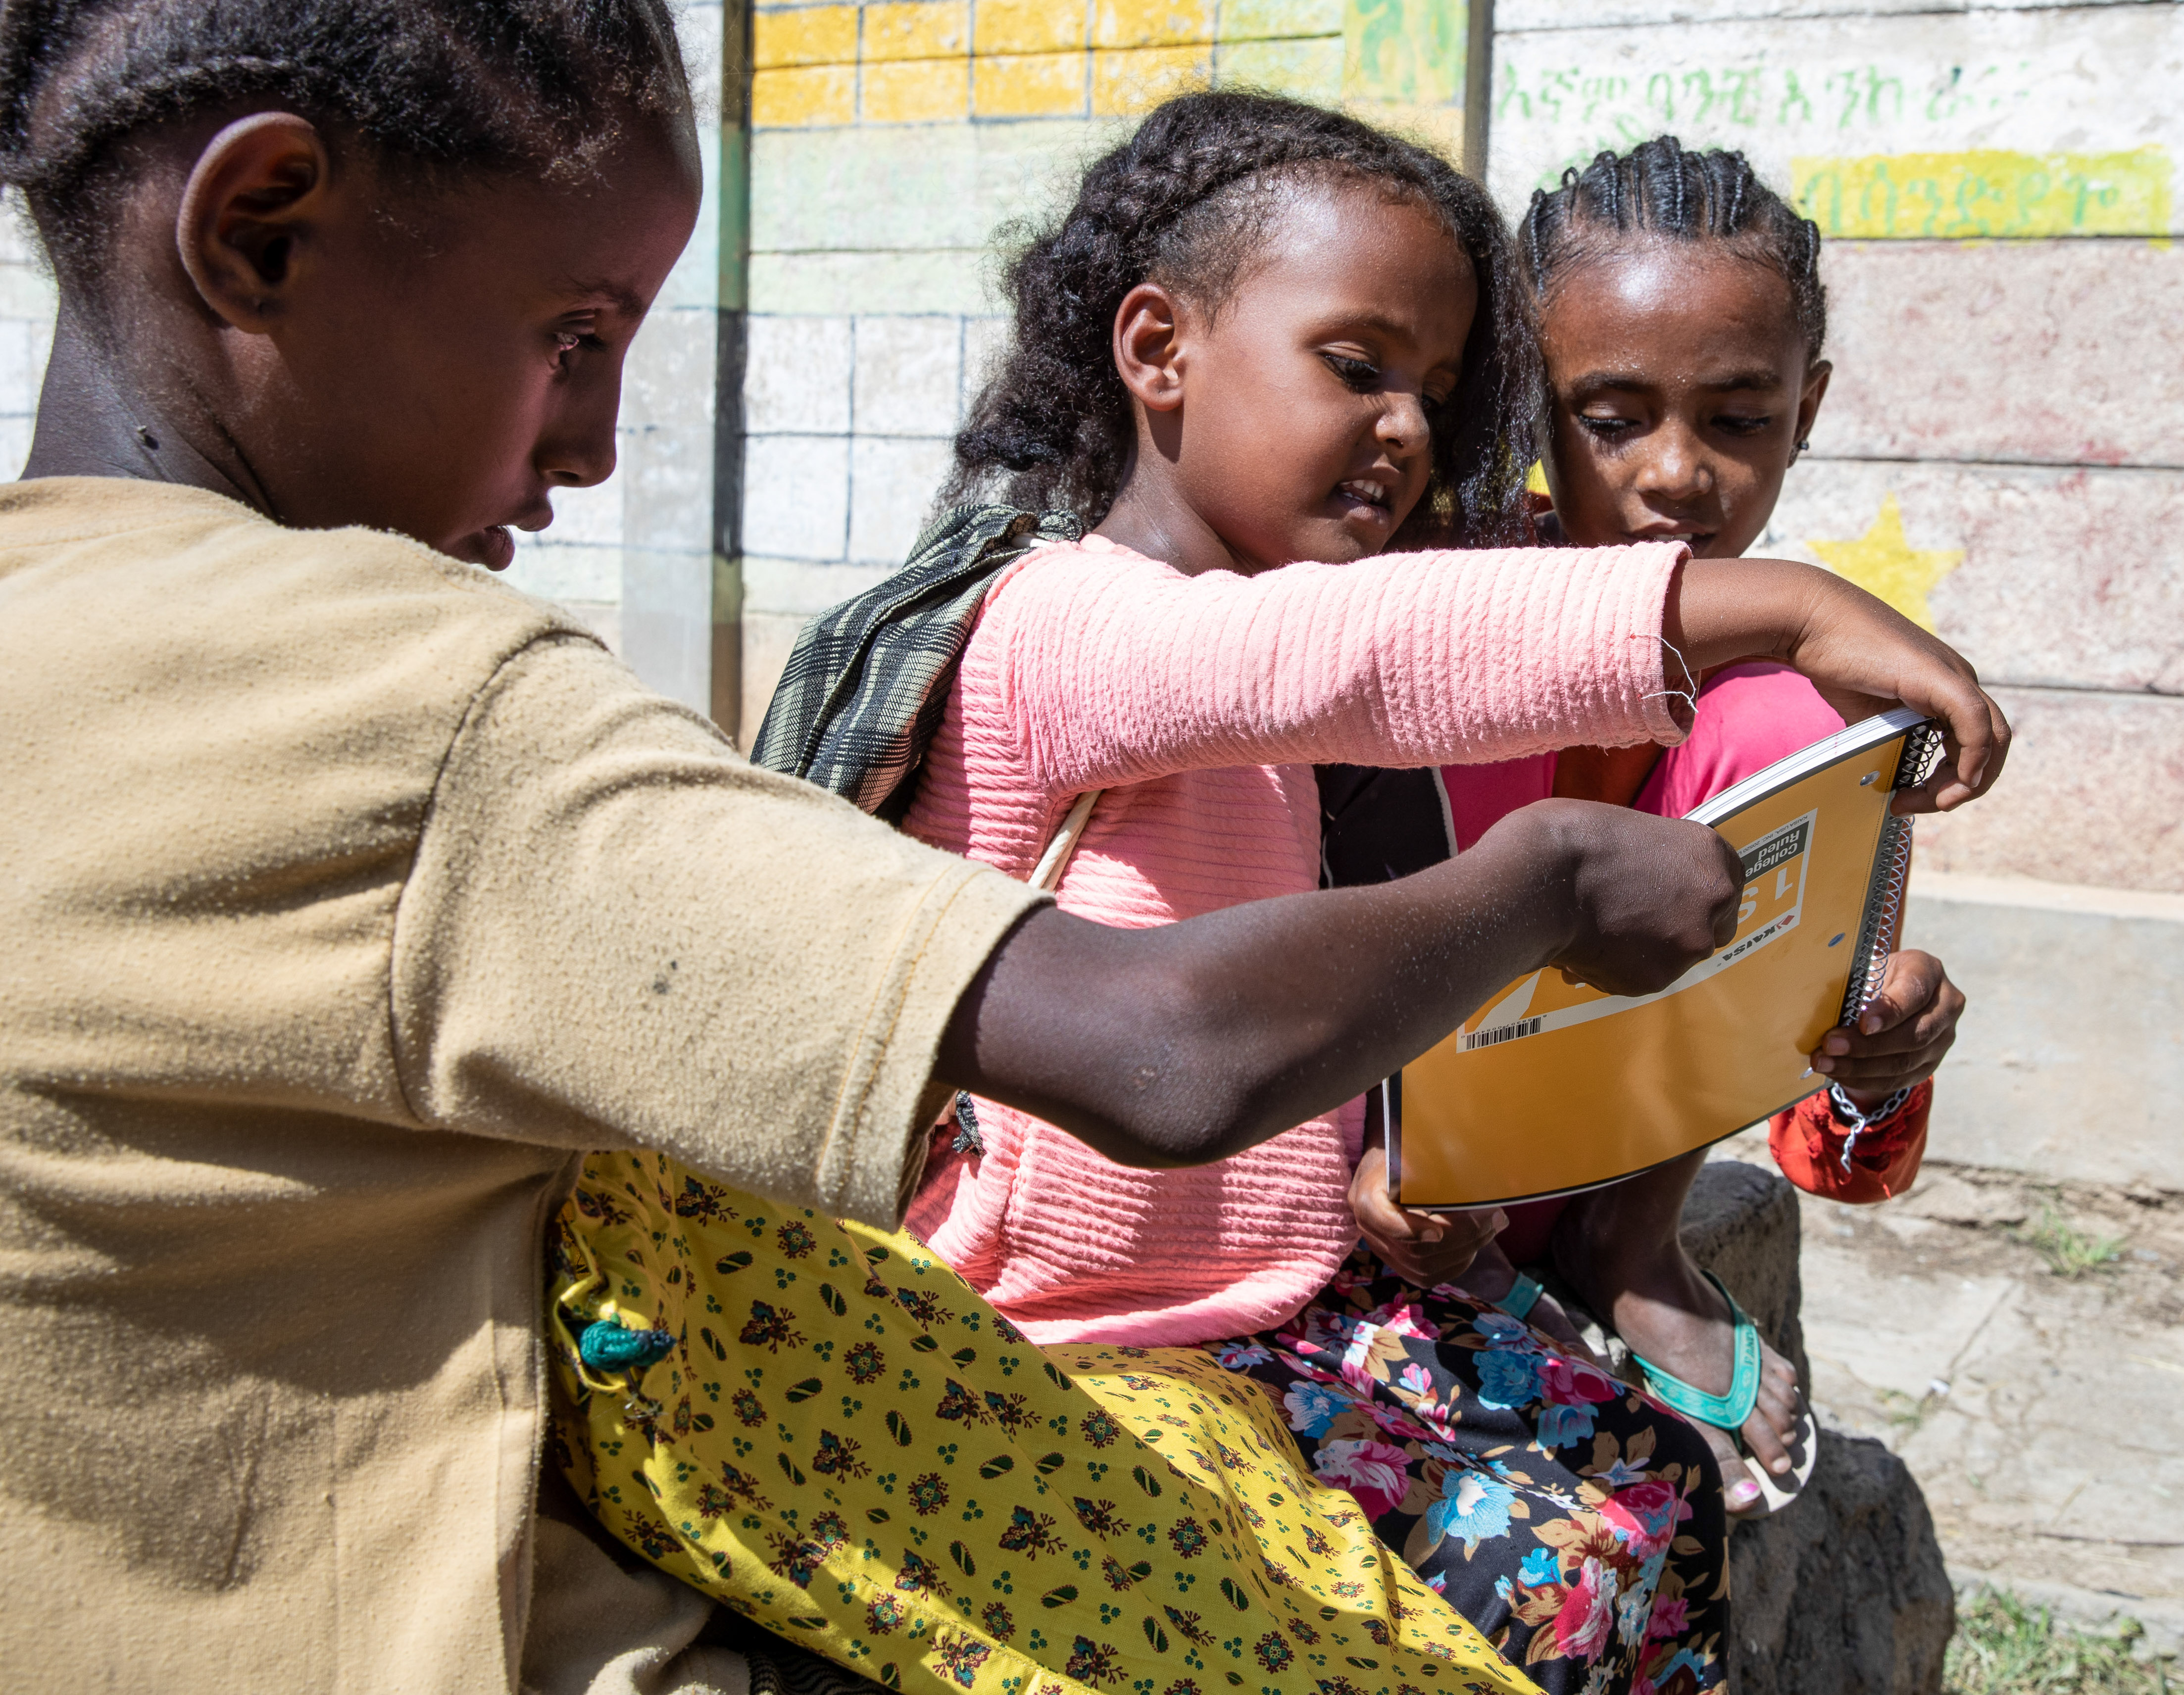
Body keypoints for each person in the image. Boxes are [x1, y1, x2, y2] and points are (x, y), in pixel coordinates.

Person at [0, 12, 1776, 1690]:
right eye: (575, 333)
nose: (602, 444)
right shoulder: (429, 710)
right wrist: (1582, 828)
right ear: (260, 228)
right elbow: (1170, 1042)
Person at [823, 93, 1999, 1694]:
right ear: (1156, 352)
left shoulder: (1261, 625)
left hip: (1275, 1282)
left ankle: (1622, 1264)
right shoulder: (1069, 623)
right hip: (1061, 1319)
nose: (1405, 431)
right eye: (1359, 369)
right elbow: (1363, 658)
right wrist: (1790, 603)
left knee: (1647, 1489)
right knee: (1546, 1577)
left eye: (1437, 392)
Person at [1342, 138, 1971, 1520]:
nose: (1678, 472)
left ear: (1805, 411)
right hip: (1379, 1154)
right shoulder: (1425, 590)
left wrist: (1876, 1049)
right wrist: (1357, 1155)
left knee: (1806, 729)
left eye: (1738, 418)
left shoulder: (1794, 690)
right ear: (1523, 405)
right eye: (1612, 416)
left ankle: (1630, 1239)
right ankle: (1461, 1210)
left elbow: (1841, 1160)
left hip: (1600, 1133)